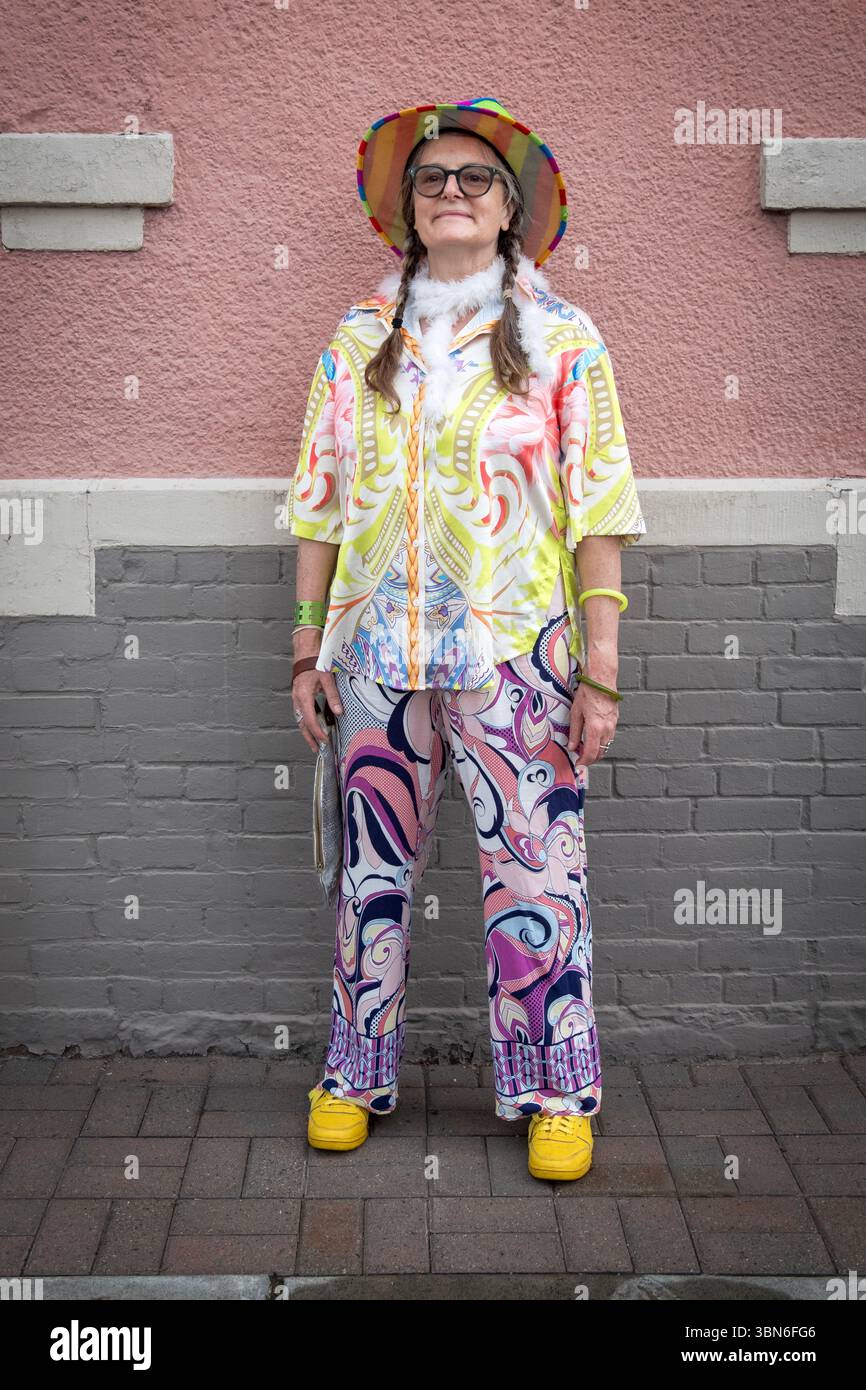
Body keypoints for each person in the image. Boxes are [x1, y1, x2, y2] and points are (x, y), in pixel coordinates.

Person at [287, 98, 646, 1181]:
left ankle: (553, 1090)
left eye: (474, 180)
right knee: (370, 874)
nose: (452, 192)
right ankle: (353, 1072)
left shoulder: (561, 340)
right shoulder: (357, 340)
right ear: (407, 210)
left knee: (535, 873)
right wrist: (305, 651)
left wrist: (600, 672)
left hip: (515, 655)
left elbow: (599, 512)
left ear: (509, 211)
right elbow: (316, 505)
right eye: (432, 179)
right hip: (372, 655)